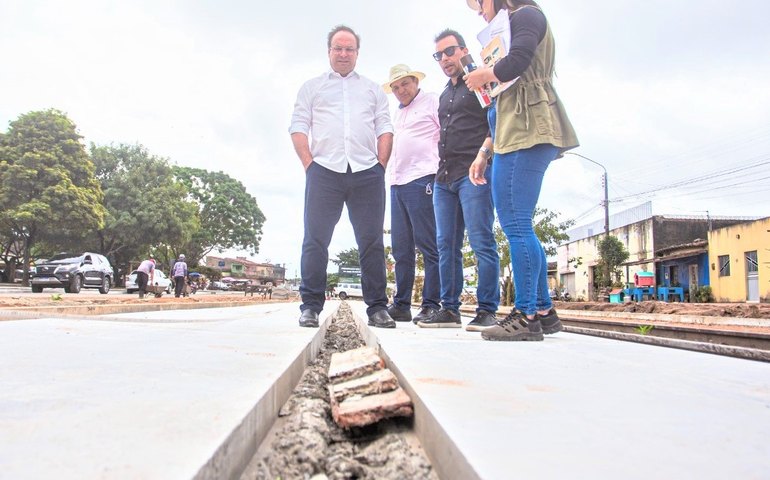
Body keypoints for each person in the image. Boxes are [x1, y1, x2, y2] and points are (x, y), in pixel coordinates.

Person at [463, 0, 579, 341]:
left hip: (527, 129)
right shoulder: (516, 20)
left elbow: (518, 60)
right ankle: (543, 311)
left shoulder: (526, 14)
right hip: (513, 131)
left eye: (479, 2)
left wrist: (483, 75)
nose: (478, 10)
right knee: (520, 223)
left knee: (515, 224)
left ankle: (525, 315)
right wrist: (485, 151)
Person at [289, 25, 396, 329]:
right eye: (338, 48)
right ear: (329, 51)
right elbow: (298, 126)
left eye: (350, 49)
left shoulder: (373, 89)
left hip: (367, 173)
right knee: (315, 239)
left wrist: (380, 165)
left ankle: (377, 307)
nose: (344, 54)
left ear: (357, 53)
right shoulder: (312, 87)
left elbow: (384, 128)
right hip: (324, 171)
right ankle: (310, 305)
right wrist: (309, 164)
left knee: (372, 241)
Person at [417, 29, 500, 331]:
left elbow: (496, 122)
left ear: (464, 50)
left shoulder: (480, 81)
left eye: (449, 52)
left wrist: (483, 155)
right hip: (444, 178)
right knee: (446, 246)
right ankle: (449, 309)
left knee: (481, 241)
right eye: (439, 55)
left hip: (473, 174)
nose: (445, 59)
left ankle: (488, 309)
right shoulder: (444, 94)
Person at [381, 64, 441, 325]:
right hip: (397, 183)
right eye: (395, 87)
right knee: (401, 249)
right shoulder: (396, 113)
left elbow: (446, 134)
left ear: (415, 81)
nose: (400, 90)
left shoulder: (432, 102)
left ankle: (431, 303)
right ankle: (402, 303)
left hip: (423, 178)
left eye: (404, 84)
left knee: (428, 245)